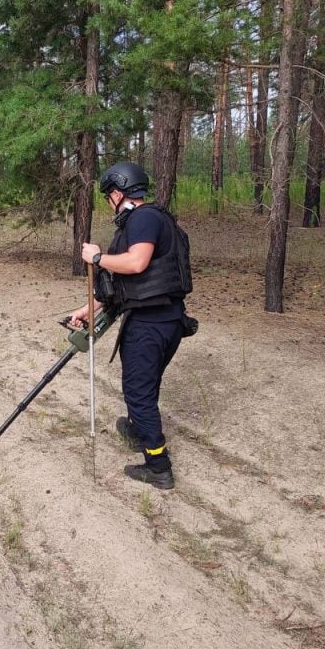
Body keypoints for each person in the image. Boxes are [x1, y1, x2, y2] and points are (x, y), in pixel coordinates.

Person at [69, 161, 193, 490]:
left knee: (138, 394)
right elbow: (118, 285)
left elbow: (136, 263)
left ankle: (158, 465)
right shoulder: (149, 219)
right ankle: (139, 429)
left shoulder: (143, 219)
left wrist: (96, 258)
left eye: (108, 196)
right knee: (143, 384)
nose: (109, 203)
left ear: (119, 192)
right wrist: (86, 310)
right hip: (164, 320)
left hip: (151, 324)